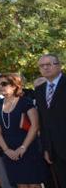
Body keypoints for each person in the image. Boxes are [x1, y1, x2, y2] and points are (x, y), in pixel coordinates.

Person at [0, 73, 46, 188]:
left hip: (29, 148)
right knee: (20, 185)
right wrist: (6, 150)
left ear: (15, 85)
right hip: (9, 150)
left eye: (4, 84)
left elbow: (35, 126)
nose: (0, 87)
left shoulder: (25, 102)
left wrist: (23, 148)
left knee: (34, 184)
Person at [35, 53, 65, 187]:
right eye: (42, 65)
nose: (45, 68)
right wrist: (46, 148)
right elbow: (42, 121)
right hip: (54, 150)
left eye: (49, 64)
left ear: (59, 66)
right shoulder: (40, 90)